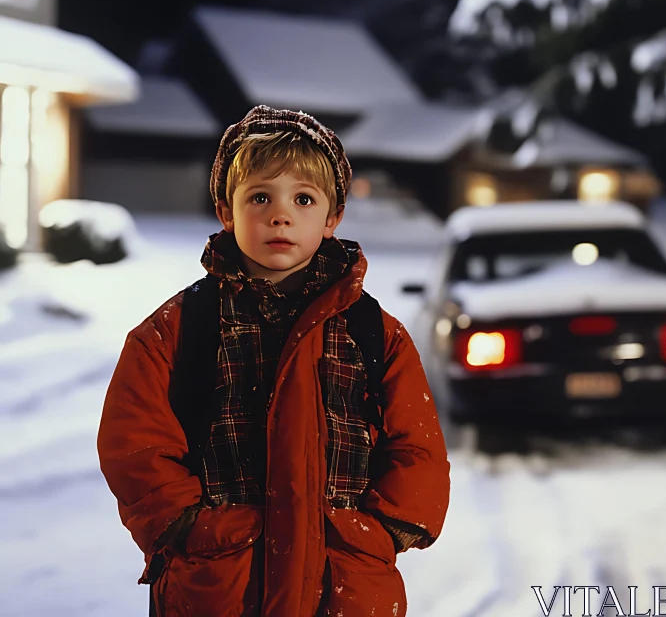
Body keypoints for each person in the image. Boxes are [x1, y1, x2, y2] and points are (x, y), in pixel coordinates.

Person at [97, 105, 451, 617]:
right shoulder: (179, 328)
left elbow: (417, 446)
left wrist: (382, 532)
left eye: (303, 199)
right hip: (220, 583)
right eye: (259, 196)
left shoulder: (376, 333)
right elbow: (134, 442)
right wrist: (188, 526)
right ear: (227, 211)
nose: (279, 214)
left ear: (332, 218)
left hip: (345, 582)